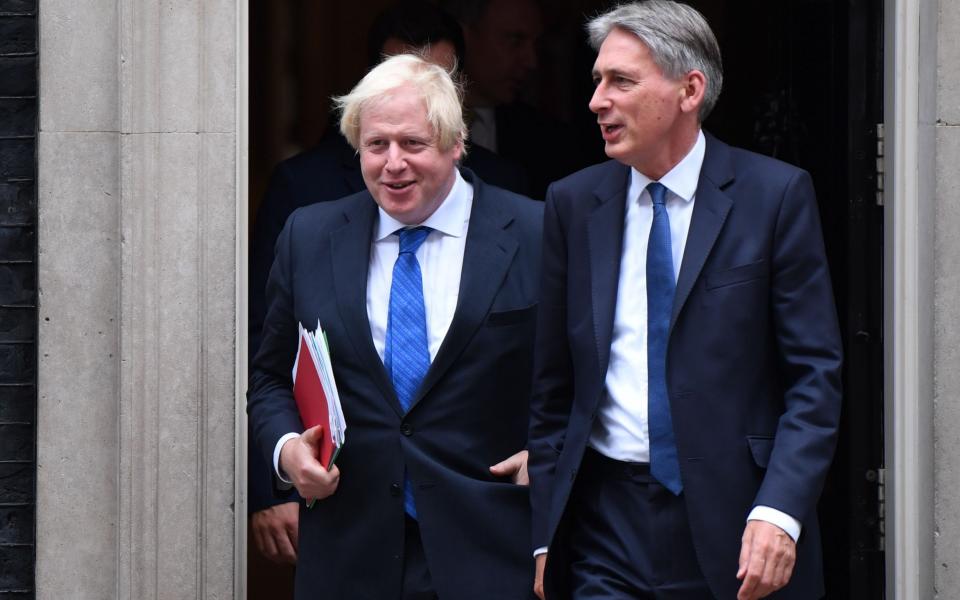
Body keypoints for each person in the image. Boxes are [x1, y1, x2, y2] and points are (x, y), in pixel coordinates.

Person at [527, 2, 843, 599]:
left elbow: (815, 378)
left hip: (739, 521)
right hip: (604, 524)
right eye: (597, 81)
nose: (597, 100)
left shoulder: (774, 197)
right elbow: (553, 388)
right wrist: (548, 533)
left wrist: (780, 511)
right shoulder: (573, 204)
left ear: (689, 89)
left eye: (621, 80)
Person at [248, 53, 542, 600]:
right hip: (348, 551)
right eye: (376, 145)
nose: (393, 164)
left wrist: (551, 451)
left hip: (492, 548)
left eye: (413, 144)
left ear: (456, 143)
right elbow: (270, 379)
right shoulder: (309, 236)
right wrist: (287, 451)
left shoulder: (536, 231)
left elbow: (579, 372)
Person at [440, 0, 581, 199]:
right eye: (515, 41)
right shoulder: (411, 127)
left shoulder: (548, 140)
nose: (531, 61)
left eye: (535, 44)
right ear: (464, 37)